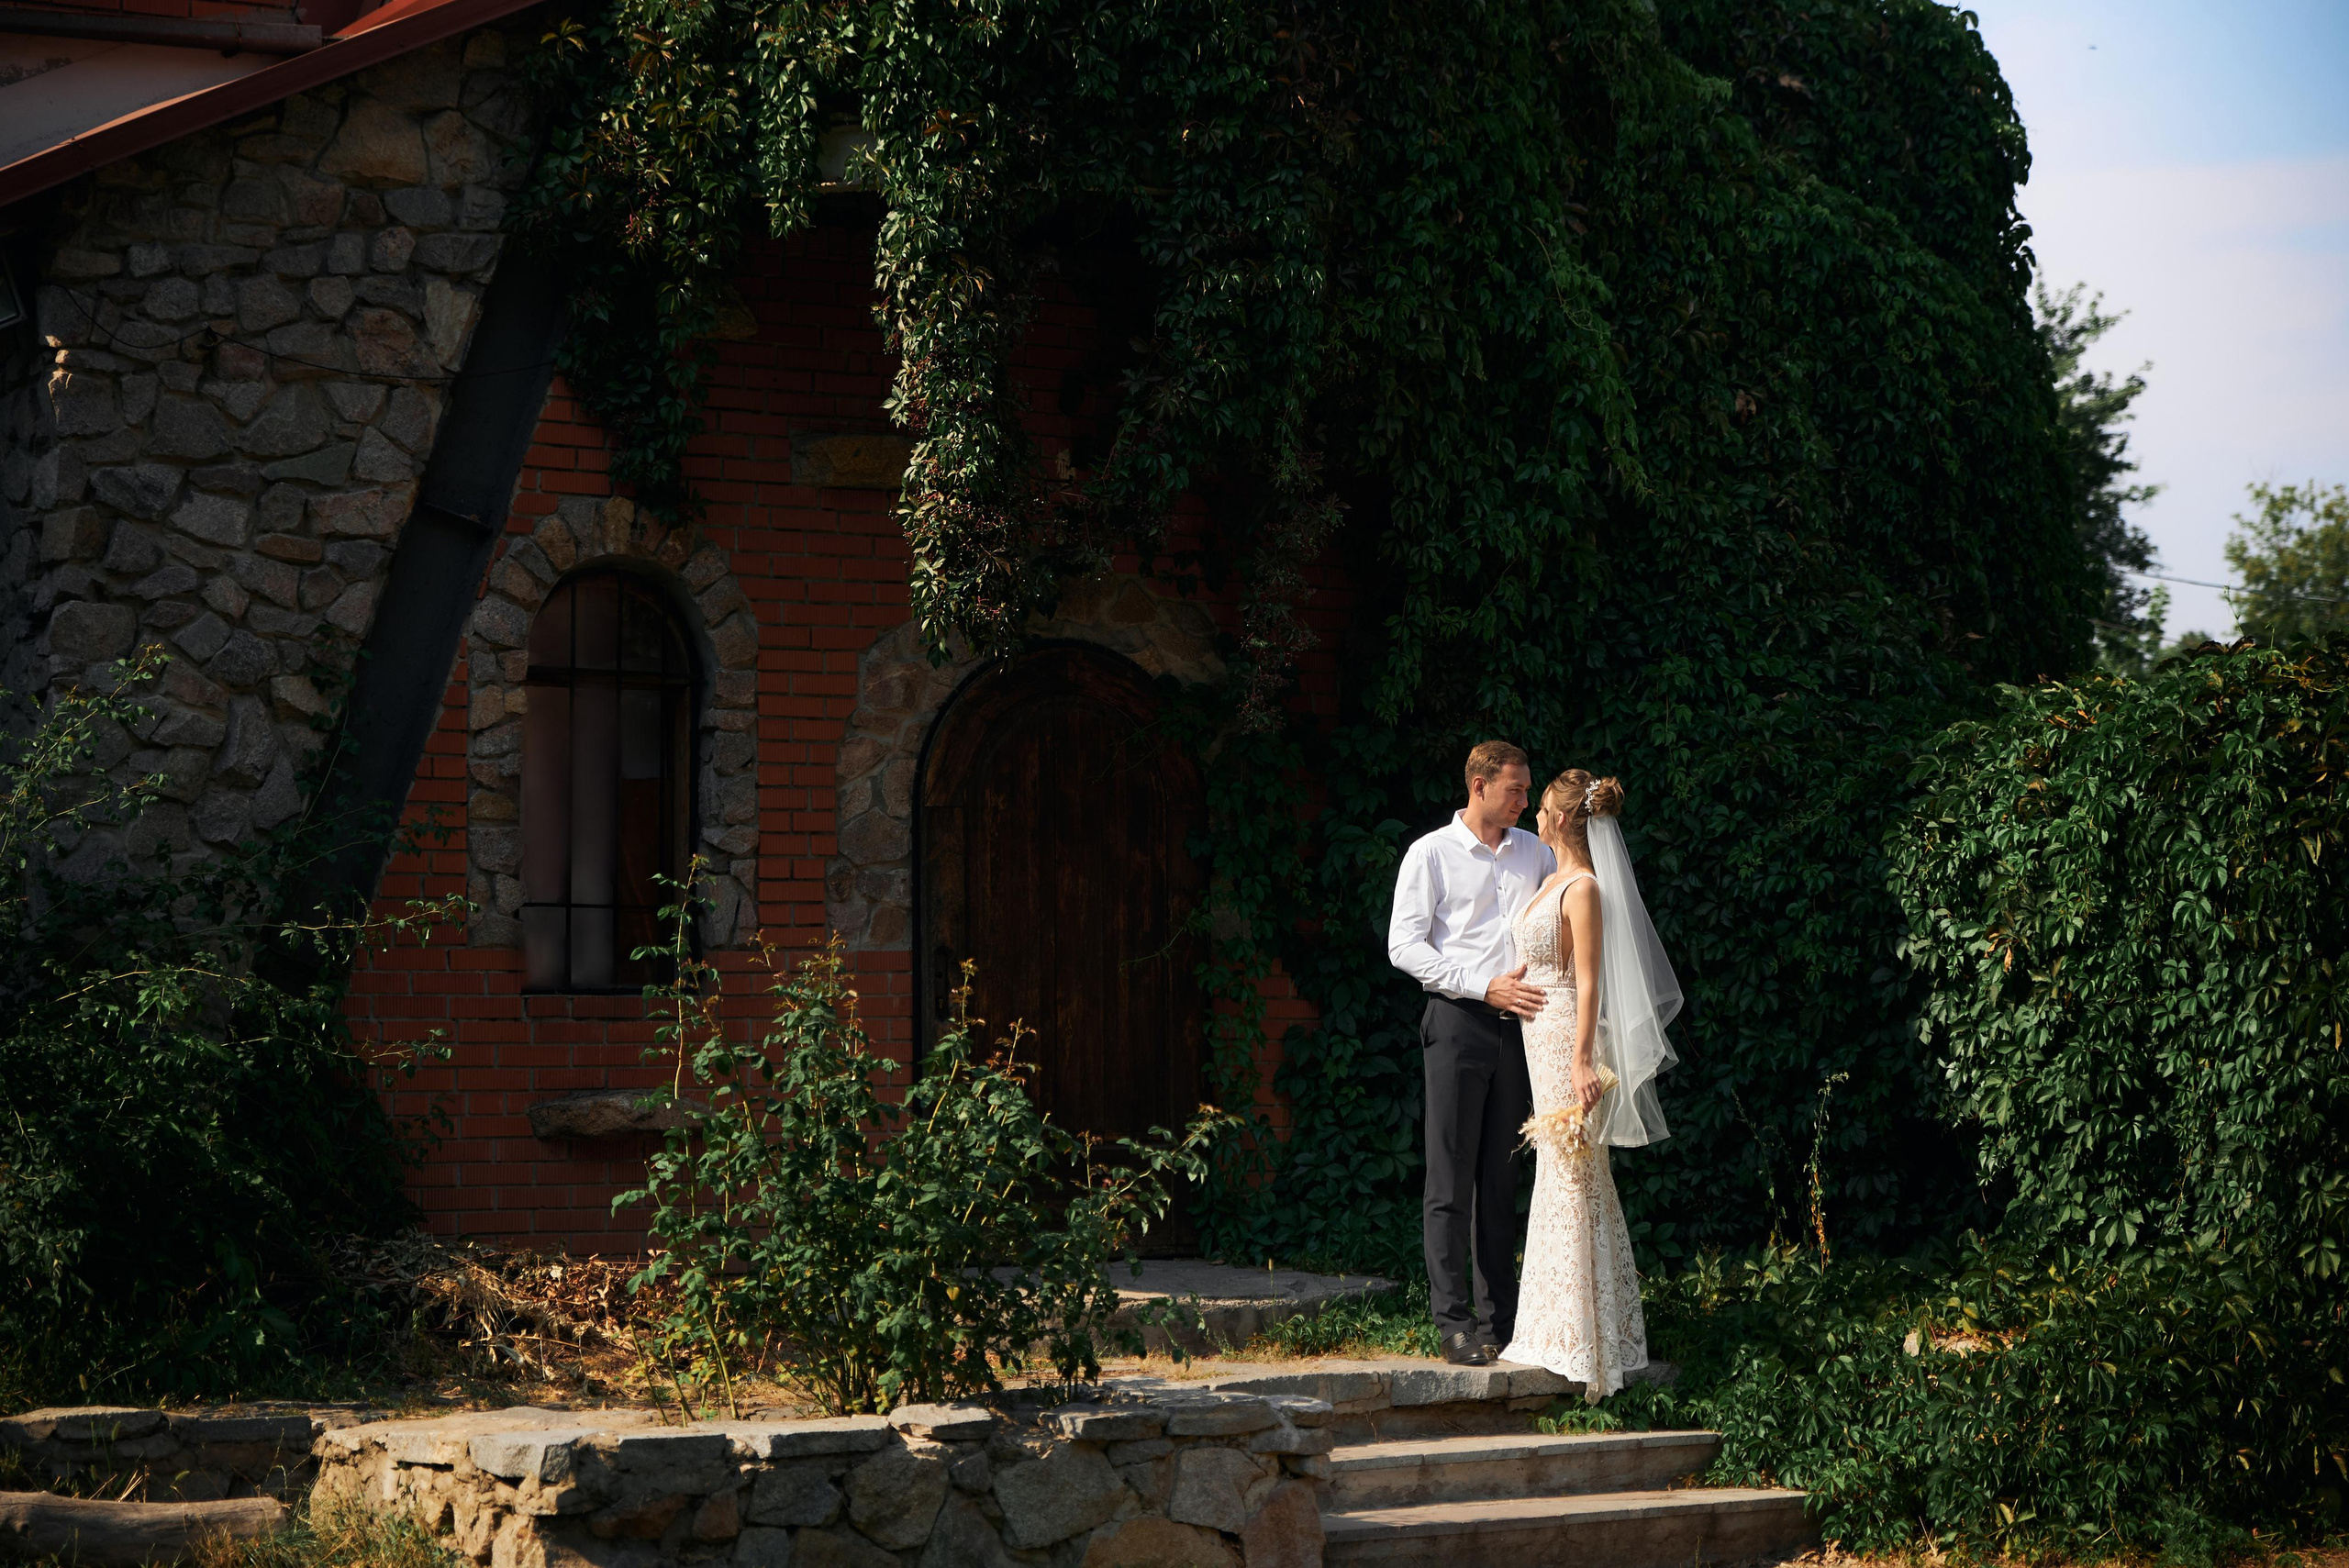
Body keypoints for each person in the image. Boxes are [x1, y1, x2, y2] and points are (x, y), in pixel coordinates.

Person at [1497, 769, 1682, 1400]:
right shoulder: (1549, 880)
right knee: (1560, 1169)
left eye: (1544, 809)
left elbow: (1589, 980)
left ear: (1564, 819)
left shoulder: (1584, 887)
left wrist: (1582, 1059)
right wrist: (1518, 977)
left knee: (1576, 1171)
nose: (1536, 818)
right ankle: (1557, 1323)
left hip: (1565, 1040)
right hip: (1536, 1032)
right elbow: (1543, 954)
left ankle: (1586, 1336)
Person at [1387, 740, 1555, 1366]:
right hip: (1457, 1021)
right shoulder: (1430, 852)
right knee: (1450, 1176)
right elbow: (1403, 945)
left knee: (1502, 1179)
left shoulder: (1535, 853)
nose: (1523, 799)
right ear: (1479, 785)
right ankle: (1453, 1324)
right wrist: (1480, 984)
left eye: (1528, 789)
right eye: (1515, 788)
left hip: (1521, 1028)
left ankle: (1501, 1322)